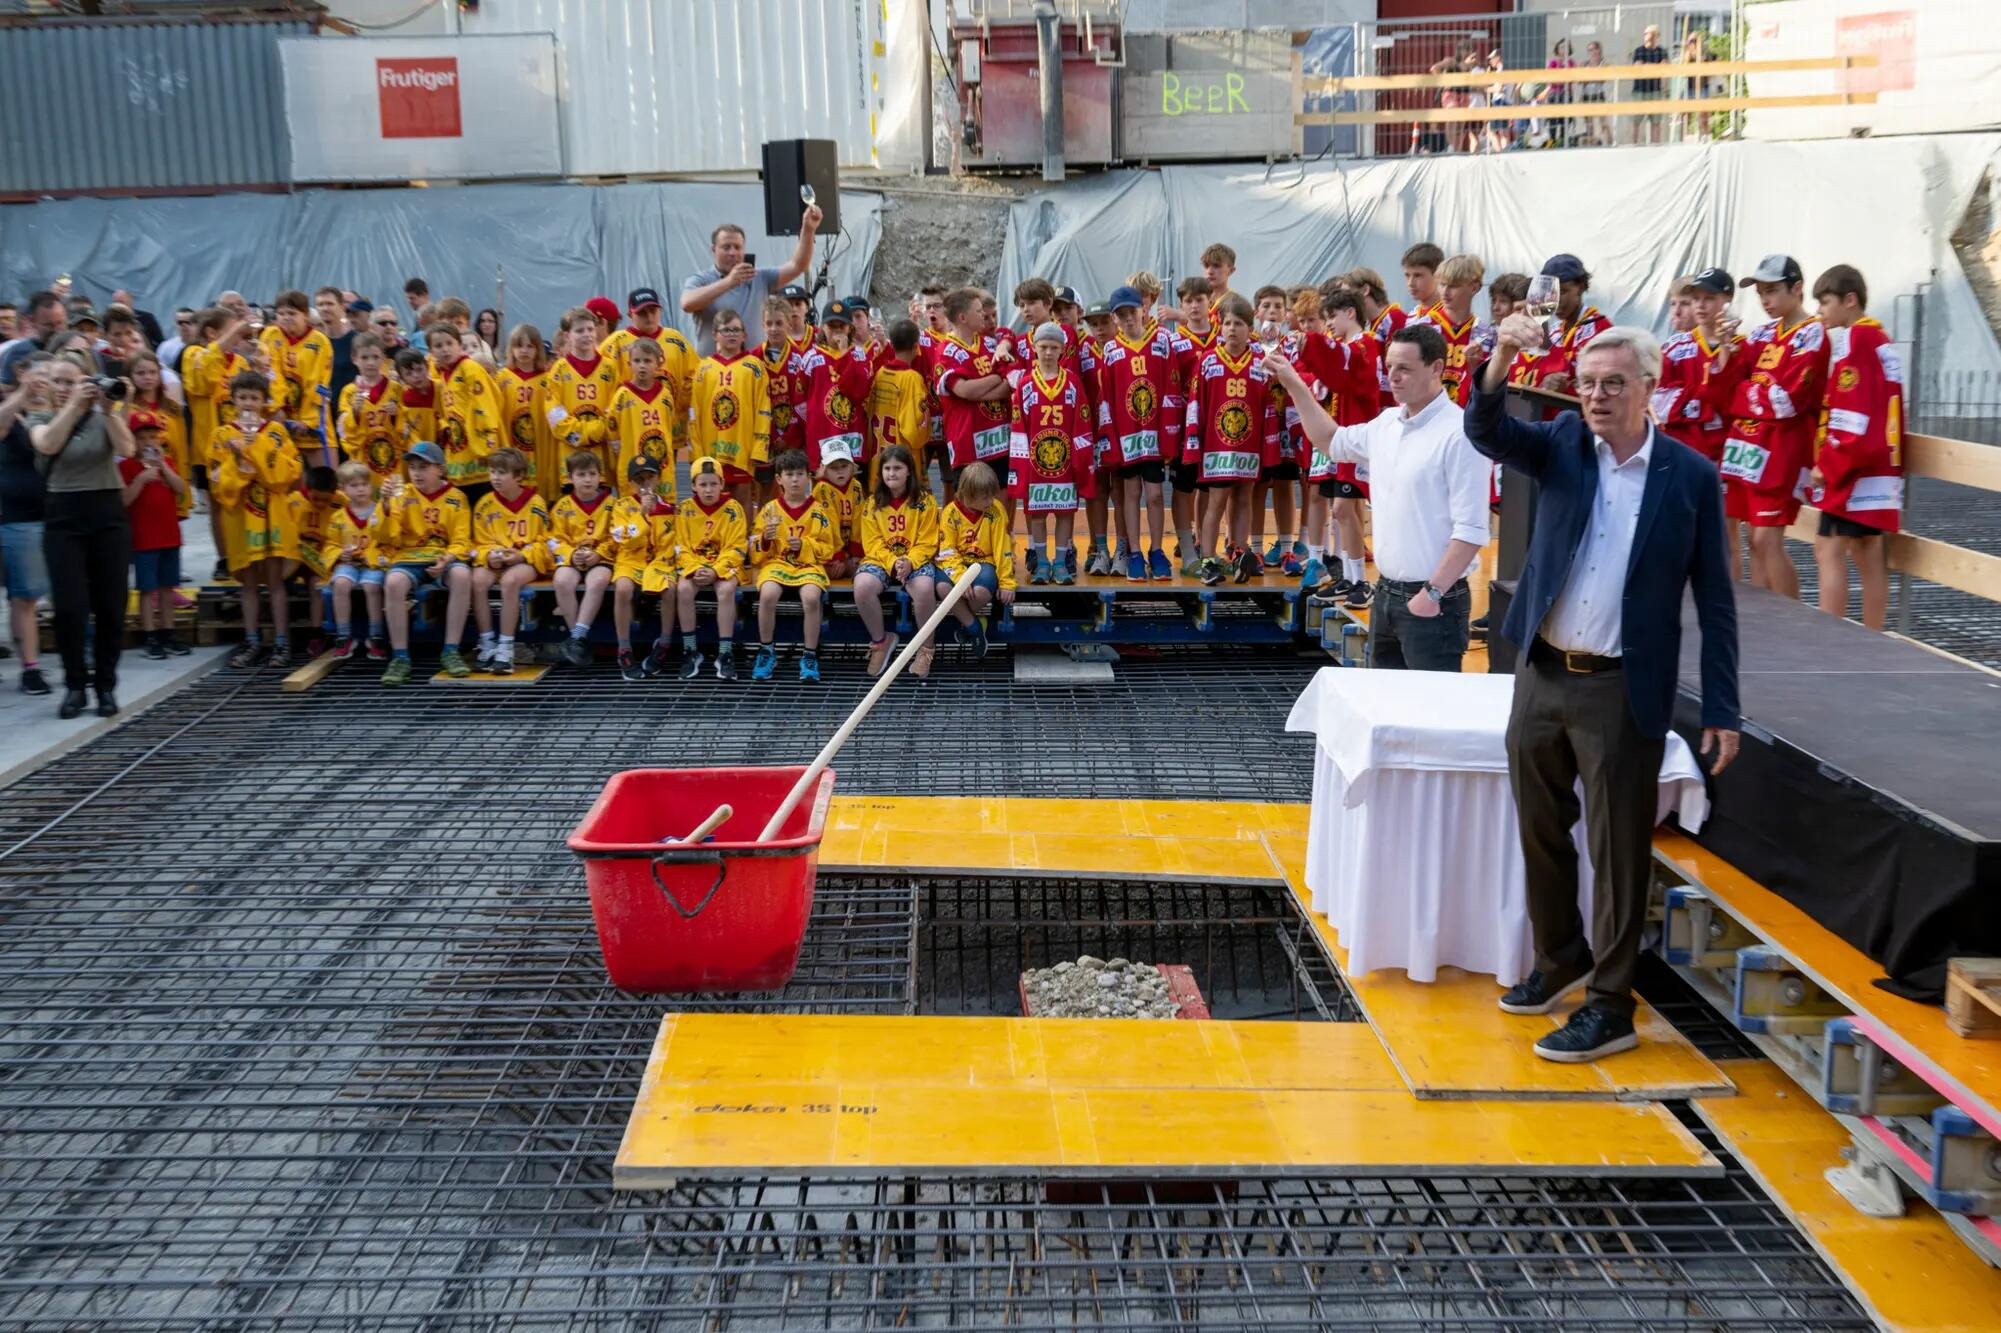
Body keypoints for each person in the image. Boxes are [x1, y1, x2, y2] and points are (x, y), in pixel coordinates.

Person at [1467, 315, 1740, 1062]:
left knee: (1618, 851)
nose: (1595, 396)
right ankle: (1561, 957)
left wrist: (1722, 707)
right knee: (1537, 826)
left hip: (1622, 688)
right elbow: (1488, 430)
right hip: (1544, 671)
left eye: (1612, 384)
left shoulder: (1688, 476)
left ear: (1650, 388)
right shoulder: (1560, 445)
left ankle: (1612, 1003)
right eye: (1586, 383)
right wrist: (1503, 355)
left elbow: (1714, 600)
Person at [1269, 323, 1488, 670]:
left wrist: (1431, 594)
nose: (1393, 378)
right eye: (1389, 368)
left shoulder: (1459, 434)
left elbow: (1472, 530)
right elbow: (1329, 440)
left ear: (1436, 369)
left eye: (1404, 368)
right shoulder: (1387, 423)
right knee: (1387, 708)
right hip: (1387, 594)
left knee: (1427, 715)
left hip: (1434, 599)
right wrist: (1294, 383)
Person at [1712, 254, 1827, 599]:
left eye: (1772, 291)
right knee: (1753, 540)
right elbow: (1722, 389)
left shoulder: (1812, 333)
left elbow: (1787, 400)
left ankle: (1793, 620)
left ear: (1797, 289)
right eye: (1761, 292)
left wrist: (1744, 393)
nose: (1765, 300)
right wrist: (1723, 348)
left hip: (1783, 451)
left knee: (1766, 538)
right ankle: (1767, 621)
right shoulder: (1761, 332)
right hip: (1748, 449)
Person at [31, 352, 137, 717]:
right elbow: (46, 444)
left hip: (107, 513)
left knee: (111, 606)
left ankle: (105, 685)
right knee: (70, 608)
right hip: (64, 516)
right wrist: (74, 406)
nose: (63, 388)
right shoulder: (41, 416)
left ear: (86, 381)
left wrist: (107, 411)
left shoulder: (102, 416)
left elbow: (127, 449)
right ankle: (75, 685)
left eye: (71, 381)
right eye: (57, 381)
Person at [1809, 264, 1905, 631]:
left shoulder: (1858, 340)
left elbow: (1853, 411)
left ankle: (1831, 640)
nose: (1820, 311)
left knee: (1827, 548)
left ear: (1850, 300)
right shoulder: (1882, 339)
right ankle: (1873, 637)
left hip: (1854, 465)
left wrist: (1828, 464)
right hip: (1881, 464)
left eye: (1825, 302)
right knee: (1868, 552)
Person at [1186, 294, 1282, 587]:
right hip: (1217, 448)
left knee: (1244, 500)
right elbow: (1196, 405)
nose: (1231, 329)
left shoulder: (1260, 363)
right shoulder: (1208, 361)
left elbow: (1269, 409)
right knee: (1216, 502)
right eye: (1227, 323)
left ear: (1250, 329)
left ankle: (1240, 553)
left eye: (1238, 324)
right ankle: (1207, 560)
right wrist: (1193, 445)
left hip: (1249, 446)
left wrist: (1270, 449)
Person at [209, 370, 302, 667]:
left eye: (254, 398)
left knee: (275, 582)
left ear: (264, 402)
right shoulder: (222, 435)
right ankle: (251, 640)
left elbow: (286, 475)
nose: (248, 404)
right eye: (242, 398)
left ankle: (281, 642)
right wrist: (238, 460)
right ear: (233, 401)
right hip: (240, 519)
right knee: (247, 584)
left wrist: (255, 446)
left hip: (272, 518)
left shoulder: (276, 432)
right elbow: (218, 483)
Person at [1098, 286, 1180, 580]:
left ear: (1143, 310)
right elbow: (1106, 399)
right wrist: (1112, 440)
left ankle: (1156, 551)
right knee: (1130, 493)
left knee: (1156, 494)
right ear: (1114, 318)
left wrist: (1169, 433)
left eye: (1132, 312)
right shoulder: (1110, 350)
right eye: (1122, 314)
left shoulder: (1163, 341)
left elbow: (1172, 388)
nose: (1129, 318)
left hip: (1154, 437)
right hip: (1126, 437)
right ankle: (1134, 553)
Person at [375, 441, 472, 684]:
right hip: (410, 557)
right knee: (394, 582)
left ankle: (451, 649)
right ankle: (400, 656)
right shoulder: (402, 494)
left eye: (424, 467)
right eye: (413, 467)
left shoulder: (456, 497)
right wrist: (385, 506)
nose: (417, 472)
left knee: (462, 576)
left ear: (440, 469)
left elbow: (462, 540)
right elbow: (386, 536)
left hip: (444, 557)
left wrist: (447, 558)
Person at [1010, 323, 1097, 585]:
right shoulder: (1024, 385)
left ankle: (1060, 562)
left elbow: (1082, 424)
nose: (1048, 352)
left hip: (1065, 462)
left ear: (1063, 350)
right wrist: (1021, 467)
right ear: (1034, 348)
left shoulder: (1072, 383)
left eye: (1053, 347)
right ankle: (1041, 562)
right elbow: (1018, 429)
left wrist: (1081, 462)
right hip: (1035, 465)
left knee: (1064, 513)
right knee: (1036, 514)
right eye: (1043, 347)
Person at [680, 211, 824, 356]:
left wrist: (808, 230)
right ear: (713, 250)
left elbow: (797, 266)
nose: (732, 253)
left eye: (737, 247)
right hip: (713, 372)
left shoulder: (758, 277)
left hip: (754, 368)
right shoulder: (701, 279)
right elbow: (687, 303)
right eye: (726, 247)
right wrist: (728, 282)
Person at [853, 443, 940, 677]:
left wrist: (910, 561)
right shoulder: (872, 503)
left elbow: (929, 540)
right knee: (862, 587)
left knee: (923, 589)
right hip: (882, 560)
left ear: (909, 471)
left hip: (915, 560)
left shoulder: (925, 502)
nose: (892, 473)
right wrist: (892, 561)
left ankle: (925, 649)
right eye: (887, 468)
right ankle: (881, 642)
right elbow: (871, 543)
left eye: (898, 468)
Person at [749, 449, 835, 682]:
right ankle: (766, 650)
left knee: (810, 597)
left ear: (809, 477)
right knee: (767, 594)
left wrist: (805, 546)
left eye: (799, 474)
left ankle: (809, 654)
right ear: (779, 479)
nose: (795, 479)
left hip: (808, 565)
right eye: (789, 474)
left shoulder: (818, 511)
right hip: (777, 563)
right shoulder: (769, 510)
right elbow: (755, 554)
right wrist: (765, 539)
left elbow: (828, 549)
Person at [468, 447, 553, 675]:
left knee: (510, 581)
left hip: (526, 560)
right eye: (493, 471)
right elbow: (477, 543)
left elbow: (546, 543)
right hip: (496, 559)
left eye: (502, 472)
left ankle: (506, 648)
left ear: (518, 476)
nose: (495, 477)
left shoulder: (536, 503)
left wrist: (523, 555)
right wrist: (489, 556)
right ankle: (487, 644)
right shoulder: (484, 504)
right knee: (477, 581)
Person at [930, 460, 1015, 665]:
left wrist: (1006, 583)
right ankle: (975, 627)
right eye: (985, 496)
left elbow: (1003, 549)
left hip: (984, 562)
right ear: (968, 494)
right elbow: (947, 551)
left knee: (981, 593)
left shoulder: (995, 512)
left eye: (991, 494)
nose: (990, 500)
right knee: (942, 587)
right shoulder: (950, 513)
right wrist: (961, 579)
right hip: (956, 563)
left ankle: (965, 624)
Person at [932, 288, 1015, 498]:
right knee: (973, 504)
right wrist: (996, 378)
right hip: (967, 441)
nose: (984, 316)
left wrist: (977, 390)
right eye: (979, 312)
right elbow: (963, 390)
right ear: (962, 317)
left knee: (1003, 498)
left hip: (999, 438)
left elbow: (1010, 384)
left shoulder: (991, 343)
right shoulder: (946, 351)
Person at [689, 309, 773, 513]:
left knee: (742, 500)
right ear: (715, 334)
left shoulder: (754, 367)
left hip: (741, 448)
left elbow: (763, 409)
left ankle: (743, 543)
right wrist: (697, 452)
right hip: (711, 449)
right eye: (726, 330)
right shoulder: (703, 369)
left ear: (744, 335)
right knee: (713, 502)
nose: (732, 335)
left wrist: (758, 448)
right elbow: (694, 413)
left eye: (736, 330)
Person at [0, 362, 52, 694]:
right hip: (10, 514)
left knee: (26, 598)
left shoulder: (52, 413)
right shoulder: (11, 413)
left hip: (33, 517)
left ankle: (30, 668)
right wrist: (21, 393)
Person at [1651, 268, 1736, 468]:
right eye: (1695, 299)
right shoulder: (1673, 348)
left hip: (1726, 457)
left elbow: (1737, 403)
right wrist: (1706, 401)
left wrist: (1688, 398)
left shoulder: (1742, 346)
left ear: (1727, 300)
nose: (1700, 305)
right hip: (1682, 452)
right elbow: (1658, 402)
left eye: (1708, 298)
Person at [673, 456, 747, 680]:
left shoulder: (733, 509)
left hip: (723, 566)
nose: (708, 490)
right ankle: (690, 650)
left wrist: (716, 570)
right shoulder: (684, 510)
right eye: (702, 484)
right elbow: (679, 546)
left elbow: (737, 546)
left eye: (713, 484)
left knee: (725, 591)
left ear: (722, 484)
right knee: (683, 589)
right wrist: (695, 568)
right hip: (694, 566)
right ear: (694, 486)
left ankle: (725, 653)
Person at [600, 288, 697, 453]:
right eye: (642, 313)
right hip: (632, 428)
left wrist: (682, 402)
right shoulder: (615, 343)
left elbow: (695, 374)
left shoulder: (675, 339)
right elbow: (600, 378)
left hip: (669, 425)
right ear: (631, 315)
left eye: (653, 311)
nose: (650, 317)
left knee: (666, 473)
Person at [548, 449, 615, 666]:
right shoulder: (562, 507)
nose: (588, 479)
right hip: (574, 558)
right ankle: (578, 637)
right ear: (570, 478)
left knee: (597, 580)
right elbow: (554, 539)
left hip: (601, 559)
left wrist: (599, 553)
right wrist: (571, 555)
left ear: (600, 476)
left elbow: (618, 536)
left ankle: (576, 638)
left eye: (592, 474)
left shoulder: (612, 505)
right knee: (562, 580)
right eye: (581, 475)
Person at [609, 455, 673, 680]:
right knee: (623, 588)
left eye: (650, 477)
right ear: (631, 482)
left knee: (670, 588)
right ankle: (624, 649)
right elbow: (624, 539)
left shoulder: (667, 507)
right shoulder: (621, 506)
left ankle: (664, 642)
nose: (645, 483)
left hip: (657, 564)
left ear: (658, 478)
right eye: (639, 479)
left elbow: (669, 543)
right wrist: (643, 514)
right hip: (630, 561)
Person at [428, 323, 500, 507]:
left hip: (479, 456)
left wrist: (487, 449)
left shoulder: (470, 369)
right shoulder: (445, 376)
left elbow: (486, 408)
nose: (445, 349)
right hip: (459, 457)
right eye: (438, 346)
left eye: (449, 343)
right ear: (431, 351)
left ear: (458, 344)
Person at [544, 309, 620, 483]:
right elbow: (554, 415)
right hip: (570, 461)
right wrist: (586, 434)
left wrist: (602, 430)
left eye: (590, 329)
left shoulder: (609, 368)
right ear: (567, 335)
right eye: (579, 331)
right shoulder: (559, 370)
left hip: (602, 461)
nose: (587, 335)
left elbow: (615, 410)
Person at [322, 460, 386, 660]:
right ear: (343, 489)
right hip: (348, 564)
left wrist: (371, 557)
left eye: (364, 484)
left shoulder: (381, 512)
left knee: (371, 586)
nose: (360, 489)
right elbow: (330, 544)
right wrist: (339, 554)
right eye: (354, 485)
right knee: (340, 584)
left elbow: (387, 540)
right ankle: (344, 635)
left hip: (373, 564)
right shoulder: (338, 517)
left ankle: (376, 636)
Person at [261, 290, 334, 465]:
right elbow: (271, 373)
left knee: (325, 482)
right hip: (279, 420)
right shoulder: (270, 335)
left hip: (313, 423)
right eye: (281, 313)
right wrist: (276, 408)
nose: (286, 318)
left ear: (306, 315)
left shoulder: (319, 342)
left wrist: (308, 422)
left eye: (292, 313)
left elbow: (318, 382)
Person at [1414, 254, 1494, 405]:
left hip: (1465, 418)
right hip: (1427, 413)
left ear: (1474, 287)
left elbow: (1489, 389)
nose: (1445, 291)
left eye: (1453, 285)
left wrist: (1474, 367)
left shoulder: (1487, 334)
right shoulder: (1423, 326)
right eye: (1442, 284)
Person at [865, 318, 931, 485]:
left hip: (878, 464)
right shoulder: (913, 379)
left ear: (892, 345)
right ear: (917, 346)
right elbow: (914, 432)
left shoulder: (880, 373)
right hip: (902, 467)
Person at [608, 337, 677, 487]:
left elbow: (669, 425)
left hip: (661, 467)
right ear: (629, 364)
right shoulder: (622, 395)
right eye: (637, 361)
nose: (642, 366)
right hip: (633, 467)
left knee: (662, 508)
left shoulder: (665, 395)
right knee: (632, 508)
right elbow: (612, 432)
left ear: (658, 364)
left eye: (647, 361)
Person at [338, 332, 405, 483]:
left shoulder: (396, 389)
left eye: (375, 357)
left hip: (394, 463)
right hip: (363, 464)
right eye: (364, 357)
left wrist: (396, 415)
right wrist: (354, 412)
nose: (370, 362)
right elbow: (343, 432)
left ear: (383, 358)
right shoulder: (349, 392)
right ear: (354, 359)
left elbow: (408, 427)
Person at [495, 323, 552, 490]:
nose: (524, 350)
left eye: (530, 346)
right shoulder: (502, 378)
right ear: (511, 348)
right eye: (519, 346)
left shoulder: (547, 380)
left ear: (538, 350)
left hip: (539, 445)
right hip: (511, 440)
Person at [292, 465, 340, 657]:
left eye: (325, 500)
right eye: (315, 499)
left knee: (316, 585)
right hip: (295, 557)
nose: (320, 504)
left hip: (321, 560)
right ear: (307, 489)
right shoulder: (293, 502)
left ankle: (316, 632)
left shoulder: (340, 502)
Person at [814, 452, 865, 582]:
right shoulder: (822, 488)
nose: (840, 472)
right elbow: (829, 525)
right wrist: (838, 555)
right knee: (835, 570)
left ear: (852, 467)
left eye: (844, 466)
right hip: (828, 550)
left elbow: (859, 521)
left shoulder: (856, 486)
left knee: (862, 567)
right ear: (823, 470)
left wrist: (856, 553)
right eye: (833, 468)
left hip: (848, 551)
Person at [392, 348, 439, 455]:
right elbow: (404, 432)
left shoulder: (440, 388)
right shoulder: (402, 398)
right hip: (418, 453)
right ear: (401, 378)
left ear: (427, 367)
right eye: (409, 373)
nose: (416, 376)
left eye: (419, 369)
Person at [316, 287, 358, 403]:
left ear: (341, 307)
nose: (325, 308)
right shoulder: (314, 342)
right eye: (320, 304)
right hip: (322, 412)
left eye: (330, 304)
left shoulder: (356, 340)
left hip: (349, 410)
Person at [1630, 24, 1669, 145]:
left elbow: (1666, 67)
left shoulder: (1661, 51)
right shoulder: (1639, 51)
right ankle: (1634, 145)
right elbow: (1637, 67)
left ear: (1656, 36)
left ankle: (1655, 145)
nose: (1648, 37)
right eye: (1647, 34)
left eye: (1651, 35)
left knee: (1656, 121)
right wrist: (1655, 67)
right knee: (1636, 121)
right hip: (1640, 90)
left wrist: (1647, 66)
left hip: (1655, 90)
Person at [1401, 243, 1444, 319]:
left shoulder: (1451, 318)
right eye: (1407, 276)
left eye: (1418, 275)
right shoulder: (1410, 317)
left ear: (1438, 275)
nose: (1410, 283)